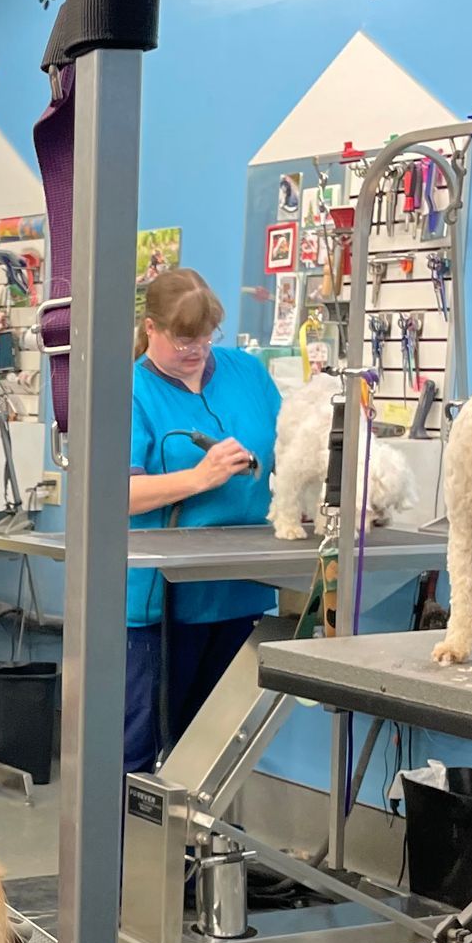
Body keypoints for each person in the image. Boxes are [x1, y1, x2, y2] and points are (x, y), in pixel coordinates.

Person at [126, 268, 282, 774]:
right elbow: (113, 495)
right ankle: (130, 854)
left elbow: (291, 448)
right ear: (151, 328)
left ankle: (203, 853)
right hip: (160, 607)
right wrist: (200, 477)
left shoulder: (248, 373)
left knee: (218, 753)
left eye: (206, 337)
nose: (197, 349)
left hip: (244, 592)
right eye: (184, 338)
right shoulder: (128, 391)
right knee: (139, 755)